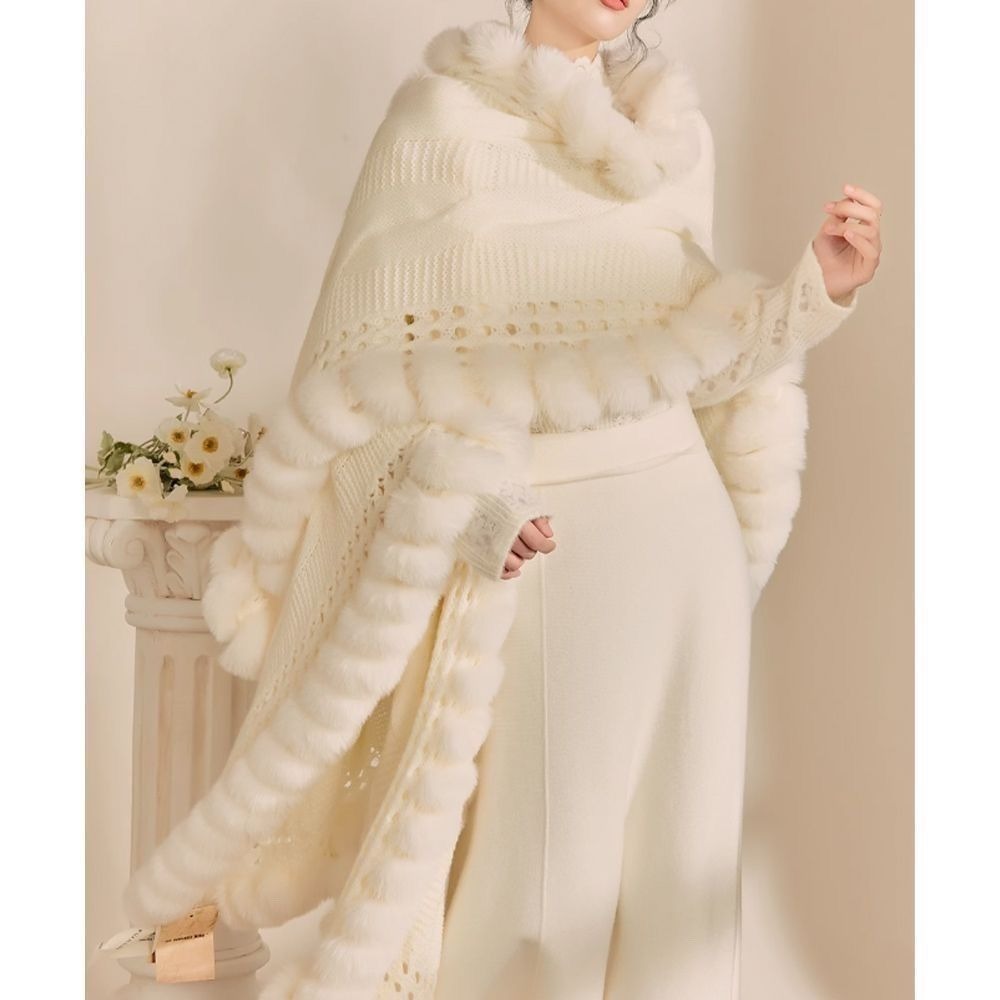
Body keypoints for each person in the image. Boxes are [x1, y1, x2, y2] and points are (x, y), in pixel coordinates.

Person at [121, 4, 883, 998]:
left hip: (680, 534)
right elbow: (355, 388)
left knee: (683, 865)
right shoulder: (440, 123)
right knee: (539, 882)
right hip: (550, 542)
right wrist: (470, 506)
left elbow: (692, 363)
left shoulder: (672, 139)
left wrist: (814, 291)